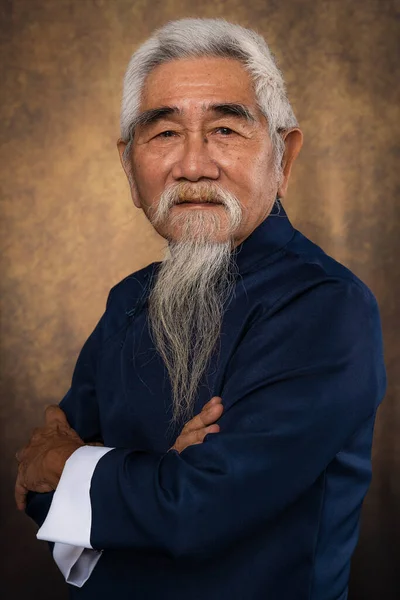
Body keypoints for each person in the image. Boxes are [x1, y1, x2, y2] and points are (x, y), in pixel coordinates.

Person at [14, 18, 386, 600]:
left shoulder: (326, 307)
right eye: (163, 133)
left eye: (225, 130)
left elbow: (196, 510)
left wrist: (87, 468)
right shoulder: (127, 300)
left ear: (283, 157)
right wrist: (156, 474)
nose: (193, 165)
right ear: (128, 165)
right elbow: (35, 487)